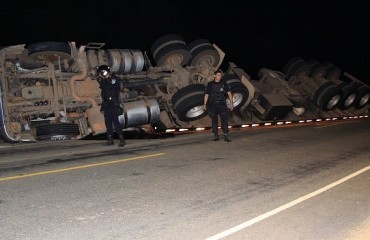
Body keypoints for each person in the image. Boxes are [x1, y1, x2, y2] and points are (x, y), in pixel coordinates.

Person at [97, 65, 126, 147]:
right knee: (108, 122)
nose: (102, 74)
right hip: (107, 105)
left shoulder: (114, 79)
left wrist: (107, 77)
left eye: (103, 72)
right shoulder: (103, 81)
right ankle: (110, 140)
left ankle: (122, 140)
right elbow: (104, 95)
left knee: (116, 122)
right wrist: (102, 107)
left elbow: (113, 87)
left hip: (113, 103)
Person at [203, 69, 233, 142]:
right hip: (213, 105)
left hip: (222, 105)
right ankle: (216, 135)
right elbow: (206, 94)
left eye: (220, 75)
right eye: (218, 75)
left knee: (225, 120)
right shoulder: (210, 84)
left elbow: (229, 93)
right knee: (214, 121)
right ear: (214, 76)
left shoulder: (224, 83)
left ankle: (226, 135)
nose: (219, 77)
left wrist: (231, 104)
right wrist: (204, 104)